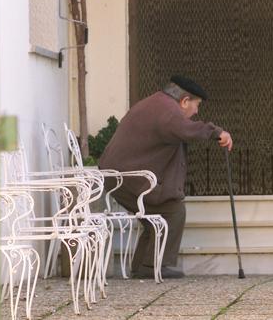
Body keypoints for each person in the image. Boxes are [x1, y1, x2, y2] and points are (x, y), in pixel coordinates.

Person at [98, 75, 233, 279]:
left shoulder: (156, 103)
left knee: (155, 216)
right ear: (185, 101)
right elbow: (186, 130)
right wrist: (217, 132)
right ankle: (156, 266)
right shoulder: (167, 110)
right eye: (196, 105)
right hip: (126, 176)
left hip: (117, 175)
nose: (196, 112)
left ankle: (143, 266)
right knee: (172, 211)